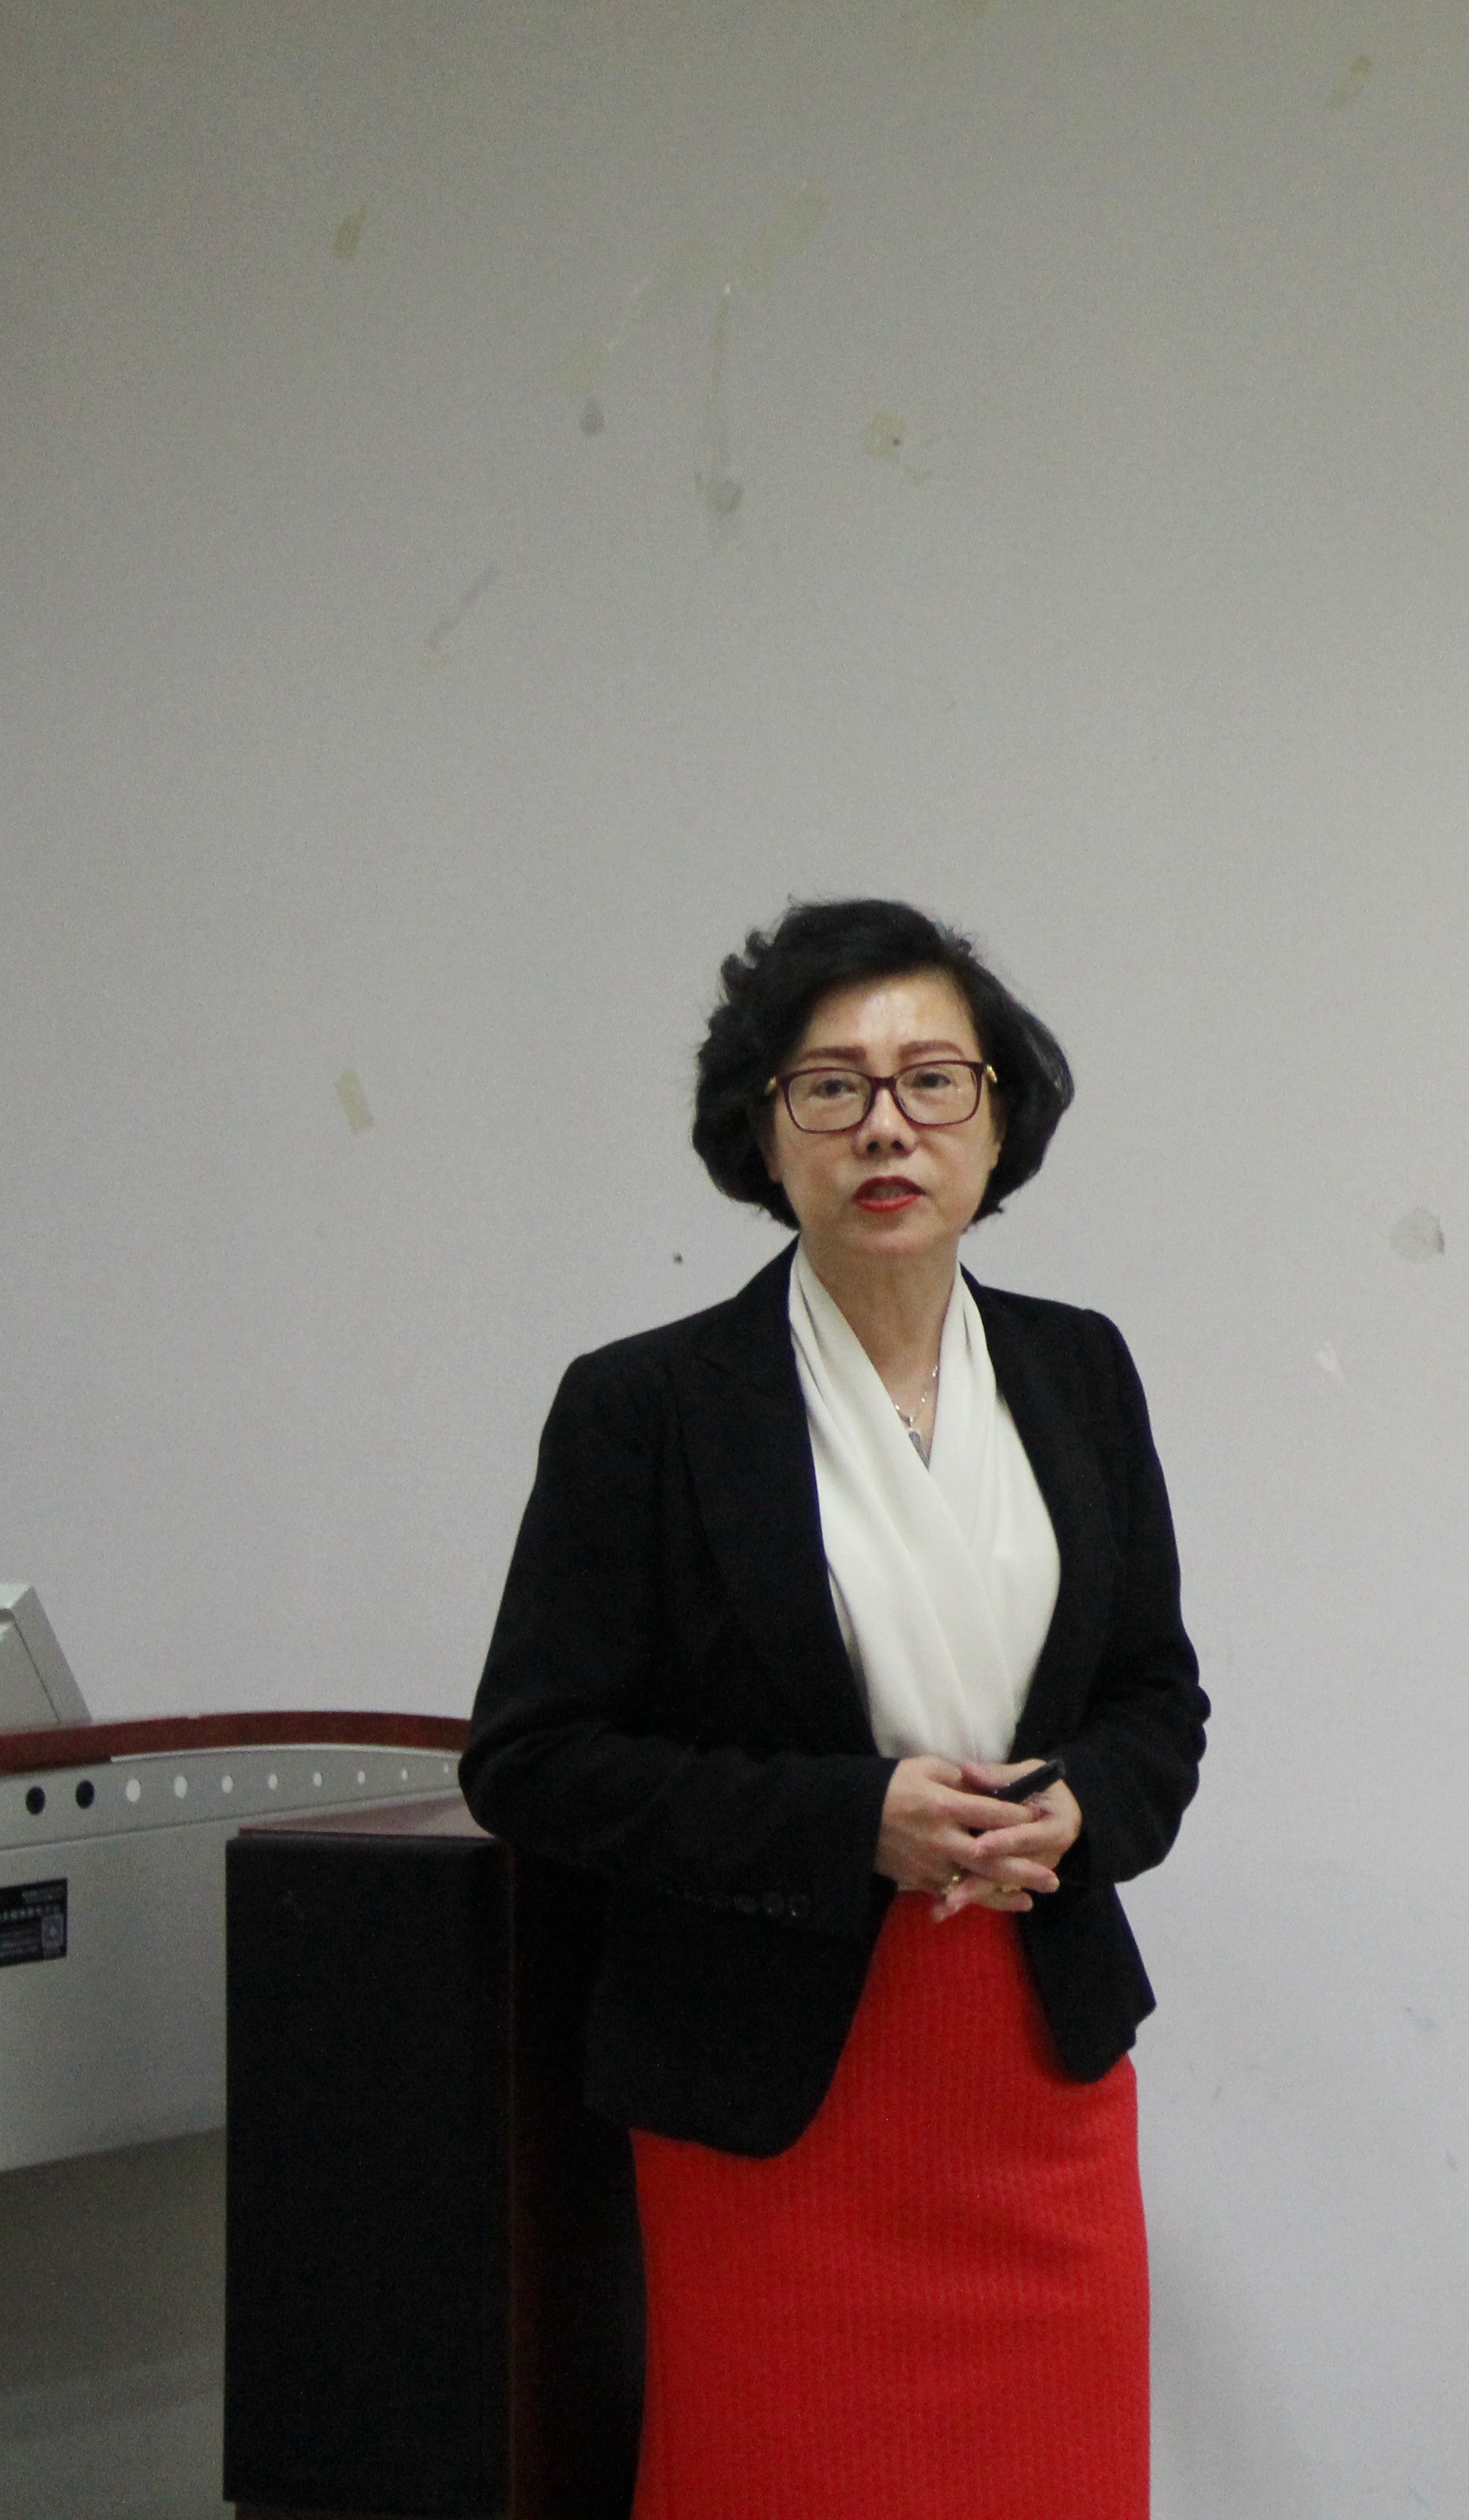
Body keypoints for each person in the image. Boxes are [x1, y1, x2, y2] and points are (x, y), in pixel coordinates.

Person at [465, 897, 1206, 2519]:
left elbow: (1158, 1699)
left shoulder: (1080, 1373)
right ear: (764, 1131)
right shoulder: (647, 1406)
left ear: (998, 1120)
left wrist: (1085, 1802)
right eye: (831, 1086)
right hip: (770, 2092)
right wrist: (847, 1821)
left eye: (934, 1079)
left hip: (1036, 2066)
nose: (886, 1125)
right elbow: (531, 1759)